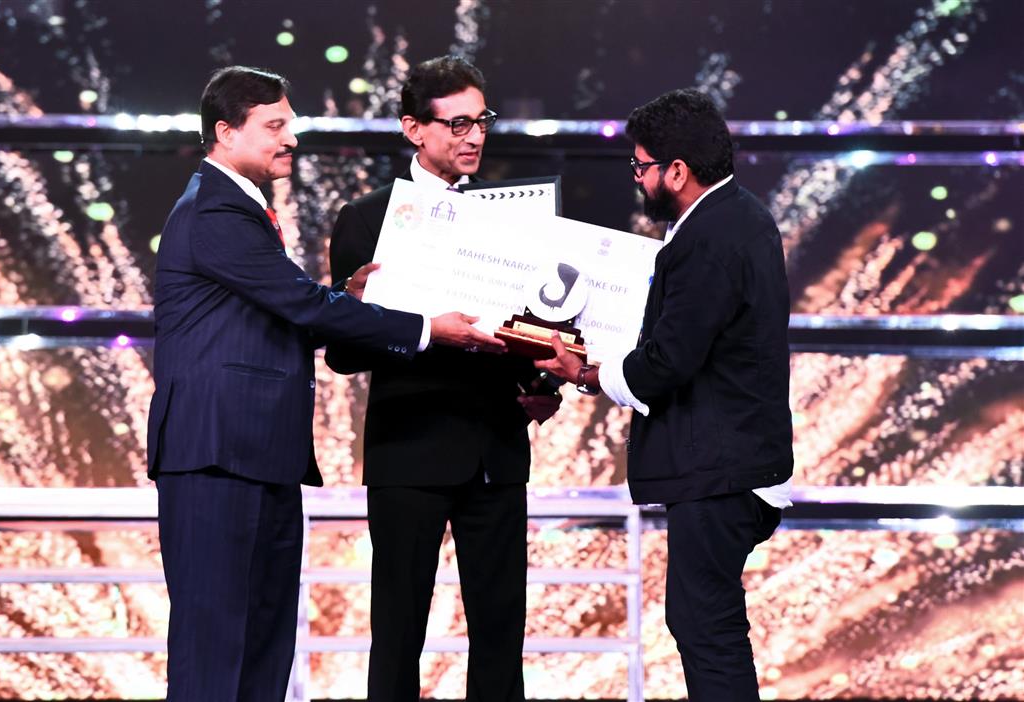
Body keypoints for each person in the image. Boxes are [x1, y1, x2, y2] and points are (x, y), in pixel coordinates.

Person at [146, 65, 501, 702]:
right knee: (215, 640)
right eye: (275, 126)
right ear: (225, 133)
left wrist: (344, 299)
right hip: (216, 454)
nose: (291, 140)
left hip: (257, 455)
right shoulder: (214, 211)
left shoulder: (240, 209)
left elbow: (283, 314)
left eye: (291, 125)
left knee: (262, 637)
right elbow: (301, 306)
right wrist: (425, 327)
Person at [536, 88, 794, 701]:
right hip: (732, 465)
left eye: (641, 166)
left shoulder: (710, 236)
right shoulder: (737, 218)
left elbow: (671, 358)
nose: (638, 179)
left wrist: (586, 373)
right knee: (706, 621)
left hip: (722, 470)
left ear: (676, 170)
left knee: (706, 625)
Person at [326, 55, 560, 702]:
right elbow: (342, 356)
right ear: (413, 128)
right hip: (409, 452)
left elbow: (537, 323)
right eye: (457, 124)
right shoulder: (363, 219)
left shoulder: (516, 216)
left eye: (481, 120)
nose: (474, 136)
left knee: (499, 637)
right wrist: (359, 308)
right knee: (398, 634)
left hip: (497, 450)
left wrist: (546, 387)